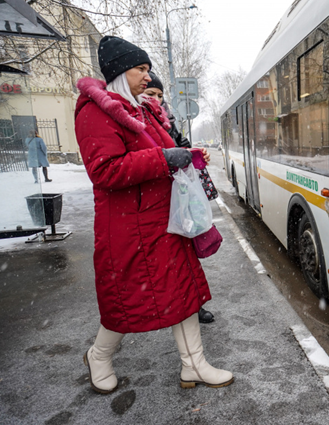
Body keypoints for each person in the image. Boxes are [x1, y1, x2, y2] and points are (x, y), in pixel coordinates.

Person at [74, 35, 232, 394]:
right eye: (140, 69)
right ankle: (99, 355)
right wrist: (164, 159)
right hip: (128, 229)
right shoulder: (95, 112)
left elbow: (165, 148)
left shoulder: (139, 109)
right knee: (125, 301)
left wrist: (186, 153)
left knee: (182, 293)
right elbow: (105, 171)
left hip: (162, 222)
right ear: (119, 72)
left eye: (148, 69)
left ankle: (194, 365)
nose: (148, 77)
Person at [142, 70, 215, 324]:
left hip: (179, 193)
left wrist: (197, 154)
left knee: (189, 250)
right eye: (150, 93)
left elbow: (181, 145)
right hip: (159, 200)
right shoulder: (138, 120)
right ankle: (178, 309)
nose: (156, 99)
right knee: (170, 260)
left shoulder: (166, 119)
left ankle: (194, 307)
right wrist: (167, 158)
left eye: (160, 95)